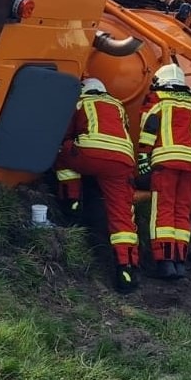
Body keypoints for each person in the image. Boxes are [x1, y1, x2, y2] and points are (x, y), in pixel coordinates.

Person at [55, 77, 140, 294]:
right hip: (122, 162)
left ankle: (71, 202)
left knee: (61, 151)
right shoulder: (118, 105)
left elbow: (64, 132)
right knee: (122, 213)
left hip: (89, 153)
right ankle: (126, 268)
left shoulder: (79, 102)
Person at [138, 63, 191, 281]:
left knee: (163, 209)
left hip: (166, 162)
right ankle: (179, 262)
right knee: (182, 211)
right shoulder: (190, 104)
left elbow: (149, 130)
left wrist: (143, 159)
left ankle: (164, 263)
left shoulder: (157, 101)